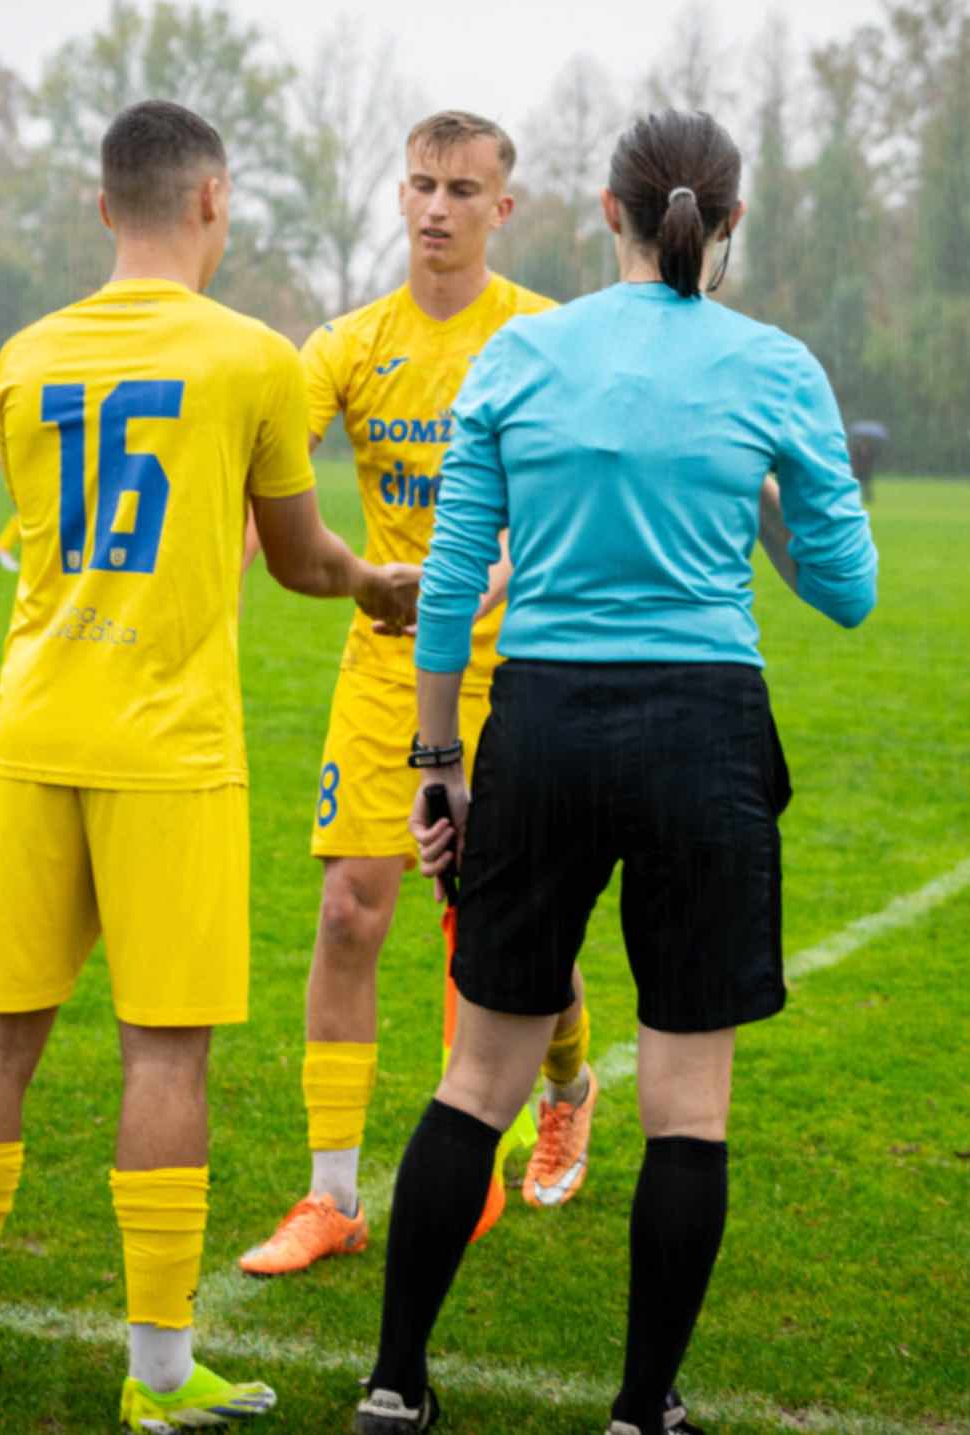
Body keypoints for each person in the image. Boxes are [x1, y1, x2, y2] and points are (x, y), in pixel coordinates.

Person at [351, 111, 877, 1435]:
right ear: (730, 221)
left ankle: (393, 1385)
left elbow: (450, 581)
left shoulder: (520, 353)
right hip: (704, 733)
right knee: (686, 1108)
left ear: (605, 211)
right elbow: (847, 590)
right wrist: (748, 486)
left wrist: (435, 759)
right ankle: (642, 1410)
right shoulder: (774, 365)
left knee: (476, 1080)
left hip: (540, 724)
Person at [0, 99, 420, 1430]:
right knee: (163, 1059)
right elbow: (301, 558)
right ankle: (155, 1372)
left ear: (103, 205)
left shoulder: (24, 355)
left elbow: (43, 528)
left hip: (33, 732)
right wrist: (376, 585)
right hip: (169, 748)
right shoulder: (251, 359)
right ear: (213, 199)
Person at [239, 112, 597, 1280]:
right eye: (420, 185)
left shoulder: (544, 338)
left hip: (522, 665)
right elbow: (265, 479)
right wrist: (215, 581)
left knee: (509, 926)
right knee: (350, 912)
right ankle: (331, 1196)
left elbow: (578, 496)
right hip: (388, 663)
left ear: (503, 208)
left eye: (462, 189)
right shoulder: (345, 345)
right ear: (398, 197)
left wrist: (491, 577)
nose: (436, 207)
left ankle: (565, 1088)